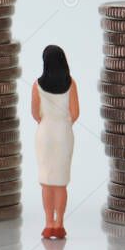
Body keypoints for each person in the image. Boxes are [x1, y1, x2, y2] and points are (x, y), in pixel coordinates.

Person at [32, 44, 79, 239]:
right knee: (60, 182)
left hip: (45, 133)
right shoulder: (71, 84)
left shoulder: (37, 85)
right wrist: (64, 123)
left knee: (46, 181)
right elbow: (75, 113)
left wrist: (45, 121)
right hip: (63, 132)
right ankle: (59, 223)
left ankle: (48, 223)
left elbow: (35, 112)